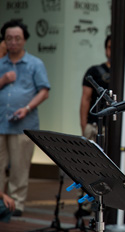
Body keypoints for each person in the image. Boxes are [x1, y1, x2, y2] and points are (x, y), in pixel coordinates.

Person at [0, 20, 50, 217]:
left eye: (17, 38)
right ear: (4, 40)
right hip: (0, 122)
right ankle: (1, 202)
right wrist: (3, 80)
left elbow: (44, 91)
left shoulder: (35, 63)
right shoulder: (1, 63)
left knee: (20, 167)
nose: (13, 42)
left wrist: (27, 108)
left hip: (23, 124)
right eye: (9, 38)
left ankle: (17, 205)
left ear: (25, 40)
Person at [80, 35, 125, 142]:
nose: (112, 51)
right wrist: (84, 125)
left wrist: (122, 67)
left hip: (119, 126)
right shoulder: (94, 71)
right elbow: (85, 99)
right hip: (95, 124)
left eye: (115, 48)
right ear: (105, 49)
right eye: (109, 47)